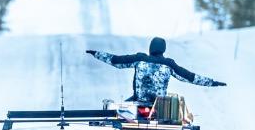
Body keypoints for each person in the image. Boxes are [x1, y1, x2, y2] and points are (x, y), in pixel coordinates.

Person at [85, 37, 226, 107]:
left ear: (150, 48)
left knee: (112, 109)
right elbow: (190, 77)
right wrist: (213, 83)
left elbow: (115, 60)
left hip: (137, 103)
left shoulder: (140, 59)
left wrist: (96, 53)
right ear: (163, 49)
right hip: (160, 107)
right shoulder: (169, 64)